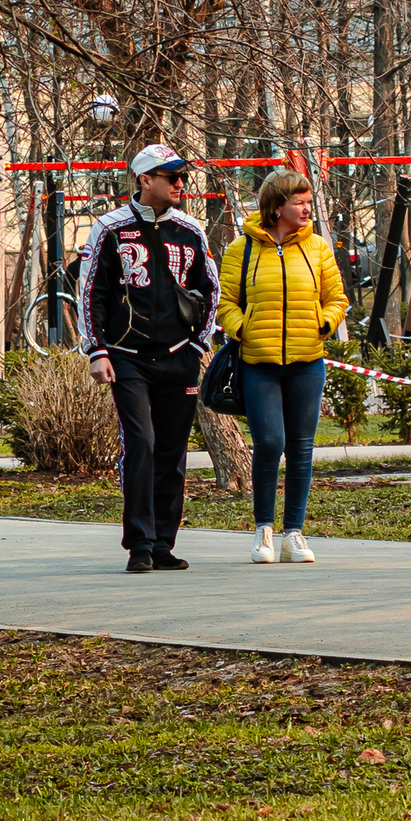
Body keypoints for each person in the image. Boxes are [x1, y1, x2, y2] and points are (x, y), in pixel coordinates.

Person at [77, 143, 220, 573]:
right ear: (145, 180)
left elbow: (210, 289)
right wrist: (96, 350)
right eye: (172, 177)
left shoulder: (190, 230)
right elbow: (91, 292)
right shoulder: (110, 228)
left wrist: (199, 344)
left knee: (172, 451)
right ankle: (139, 543)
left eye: (183, 177)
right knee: (142, 443)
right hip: (127, 358)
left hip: (179, 356)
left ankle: (162, 544)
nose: (180, 184)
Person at [220, 164, 347, 565]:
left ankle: (294, 533)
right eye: (300, 202)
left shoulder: (318, 248)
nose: (307, 209)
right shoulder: (241, 249)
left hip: (308, 362)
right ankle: (264, 531)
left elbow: (337, 298)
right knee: (270, 443)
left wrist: (324, 323)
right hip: (258, 363)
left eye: (308, 202)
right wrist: (243, 329)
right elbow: (225, 303)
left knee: (301, 448)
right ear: (277, 207)